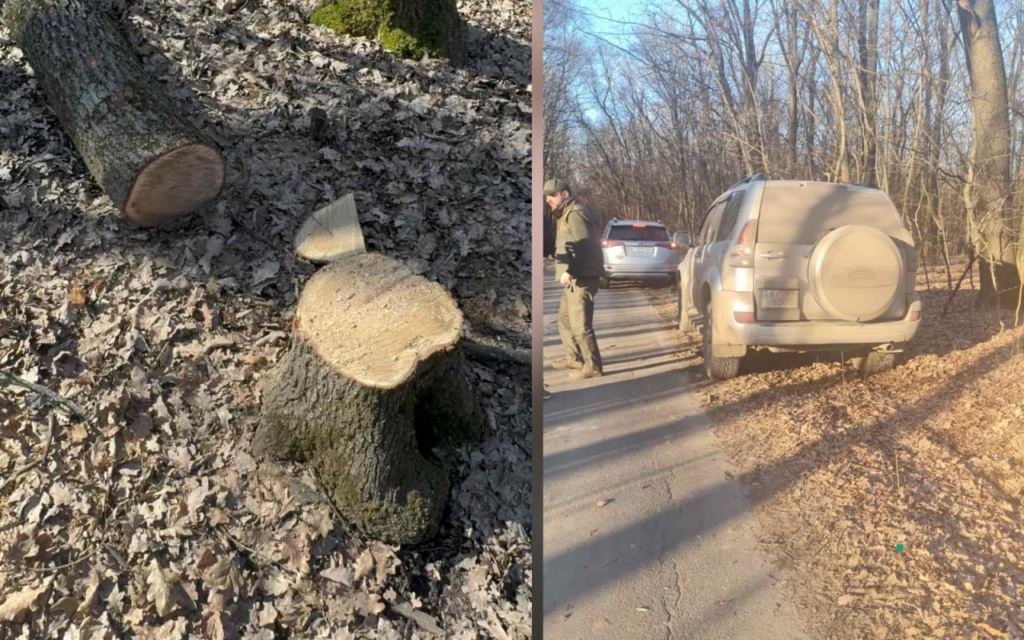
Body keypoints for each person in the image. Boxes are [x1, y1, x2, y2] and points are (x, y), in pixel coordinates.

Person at [544, 178, 604, 379]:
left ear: (565, 194)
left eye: (552, 195)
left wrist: (571, 270)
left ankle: (593, 367)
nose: (548, 200)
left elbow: (585, 246)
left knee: (580, 325)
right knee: (565, 320)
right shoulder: (563, 215)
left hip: (581, 277)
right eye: (547, 197)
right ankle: (574, 357)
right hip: (572, 279)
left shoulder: (575, 214)